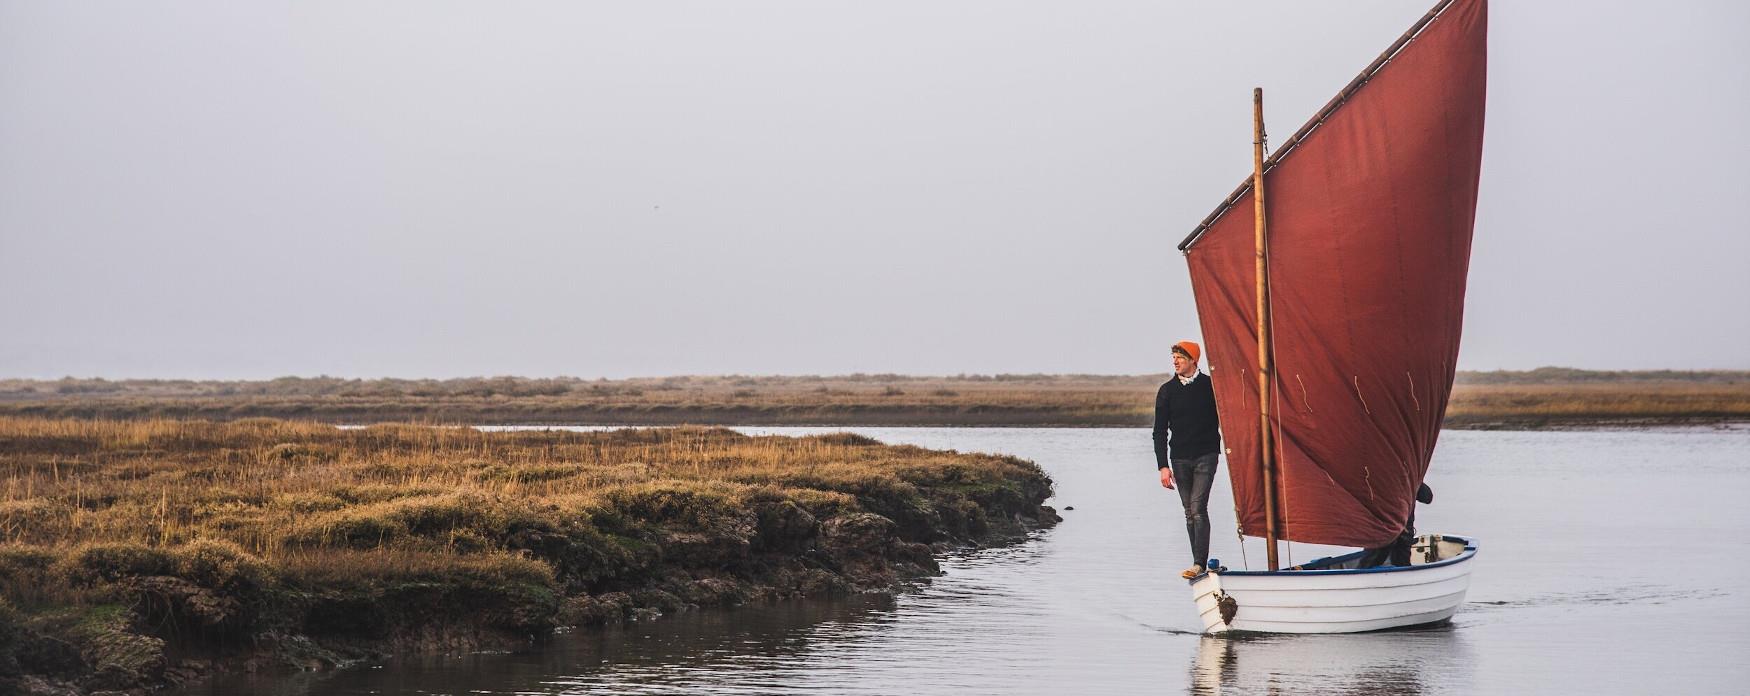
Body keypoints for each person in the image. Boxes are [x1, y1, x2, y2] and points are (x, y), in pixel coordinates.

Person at [1155, 340, 1222, 579]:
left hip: (1207, 455)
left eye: (1180, 358)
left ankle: (1198, 564)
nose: (1175, 362)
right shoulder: (1167, 391)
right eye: (1173, 357)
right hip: (1180, 458)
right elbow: (1159, 431)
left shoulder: (1210, 387)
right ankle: (1199, 565)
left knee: (1198, 508)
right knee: (1189, 512)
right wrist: (1163, 466)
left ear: (1193, 360)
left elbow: (1227, 419)